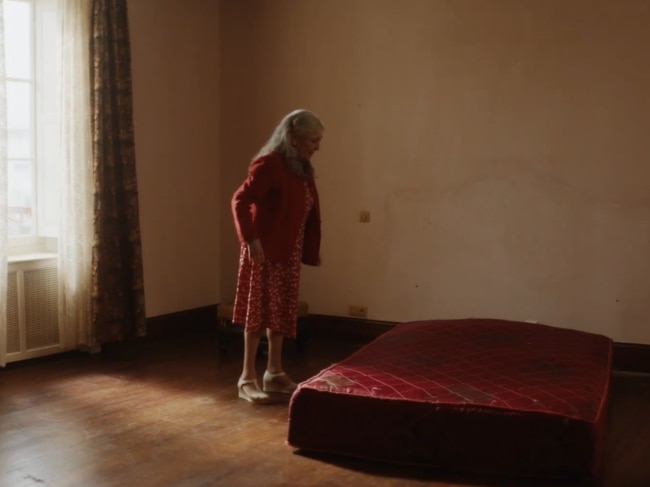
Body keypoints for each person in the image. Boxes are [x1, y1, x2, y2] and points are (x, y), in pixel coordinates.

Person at [231, 109, 323, 404]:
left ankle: (274, 372)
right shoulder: (269, 164)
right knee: (257, 314)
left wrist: (309, 249)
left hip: (287, 251)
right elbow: (240, 200)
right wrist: (250, 239)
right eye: (313, 140)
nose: (317, 146)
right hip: (263, 251)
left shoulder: (301, 167)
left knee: (281, 312)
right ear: (294, 138)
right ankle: (247, 378)